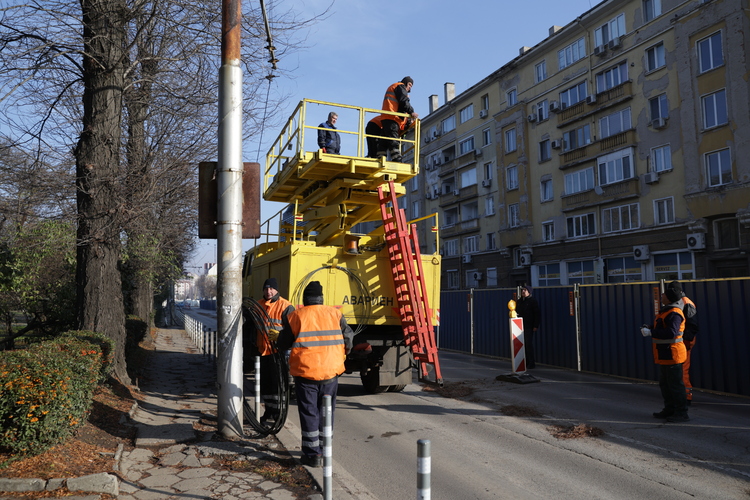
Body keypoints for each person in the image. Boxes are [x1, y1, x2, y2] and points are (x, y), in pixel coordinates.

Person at [277, 281, 354, 468]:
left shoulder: (295, 316)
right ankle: (325, 448)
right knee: (327, 412)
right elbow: (349, 338)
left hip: (306, 374)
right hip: (330, 374)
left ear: (305, 298)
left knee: (309, 412)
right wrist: (344, 352)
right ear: (321, 298)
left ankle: (313, 454)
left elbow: (283, 344)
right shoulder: (335, 313)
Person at [245, 278, 294, 424]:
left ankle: (278, 414)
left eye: (271, 289)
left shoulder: (286, 306)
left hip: (278, 353)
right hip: (262, 352)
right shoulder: (258, 305)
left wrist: (281, 338)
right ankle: (269, 412)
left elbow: (292, 330)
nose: (269, 291)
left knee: (278, 385)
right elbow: (251, 327)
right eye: (266, 289)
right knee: (266, 386)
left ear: (277, 290)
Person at [642, 281, 689, 422]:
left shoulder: (674, 313)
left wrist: (651, 332)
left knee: (675, 385)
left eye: (663, 294)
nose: (661, 296)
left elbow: (671, 332)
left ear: (668, 298)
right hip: (665, 354)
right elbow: (663, 326)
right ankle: (669, 409)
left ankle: (681, 413)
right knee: (665, 384)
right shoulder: (667, 311)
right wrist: (650, 327)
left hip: (673, 354)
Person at [378, 76, 418, 162]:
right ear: (406, 83)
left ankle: (381, 158)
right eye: (410, 84)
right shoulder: (400, 86)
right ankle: (397, 159)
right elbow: (403, 101)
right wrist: (412, 112)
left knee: (384, 140)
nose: (410, 87)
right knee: (393, 139)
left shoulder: (395, 87)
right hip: (392, 117)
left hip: (386, 116)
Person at [676, 282, 698, 404]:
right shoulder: (684, 302)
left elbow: (692, 324)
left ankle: (686, 396)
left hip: (684, 340)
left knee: (683, 369)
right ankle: (684, 395)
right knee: (681, 368)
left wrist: (687, 340)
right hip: (683, 340)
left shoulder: (685, 303)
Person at [515, 284, 540, 369]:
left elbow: (537, 314)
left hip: (529, 326)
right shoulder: (519, 301)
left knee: (528, 344)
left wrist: (535, 325)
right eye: (522, 290)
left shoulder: (532, 301)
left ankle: (531, 363)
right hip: (519, 326)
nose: (523, 291)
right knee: (521, 344)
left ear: (529, 292)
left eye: (525, 290)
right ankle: (524, 362)